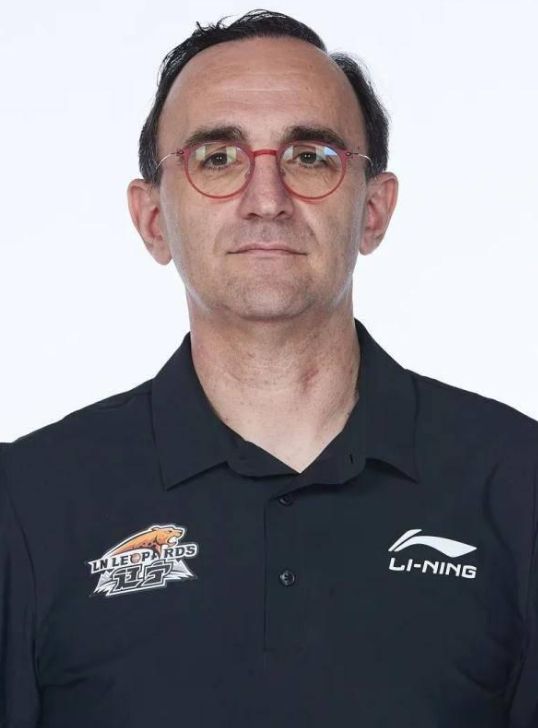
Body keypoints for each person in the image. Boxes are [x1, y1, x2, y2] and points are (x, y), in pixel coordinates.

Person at [1, 9, 536, 728]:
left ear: (373, 211)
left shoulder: (519, 485)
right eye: (217, 158)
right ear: (153, 219)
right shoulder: (28, 504)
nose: (266, 201)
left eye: (309, 156)